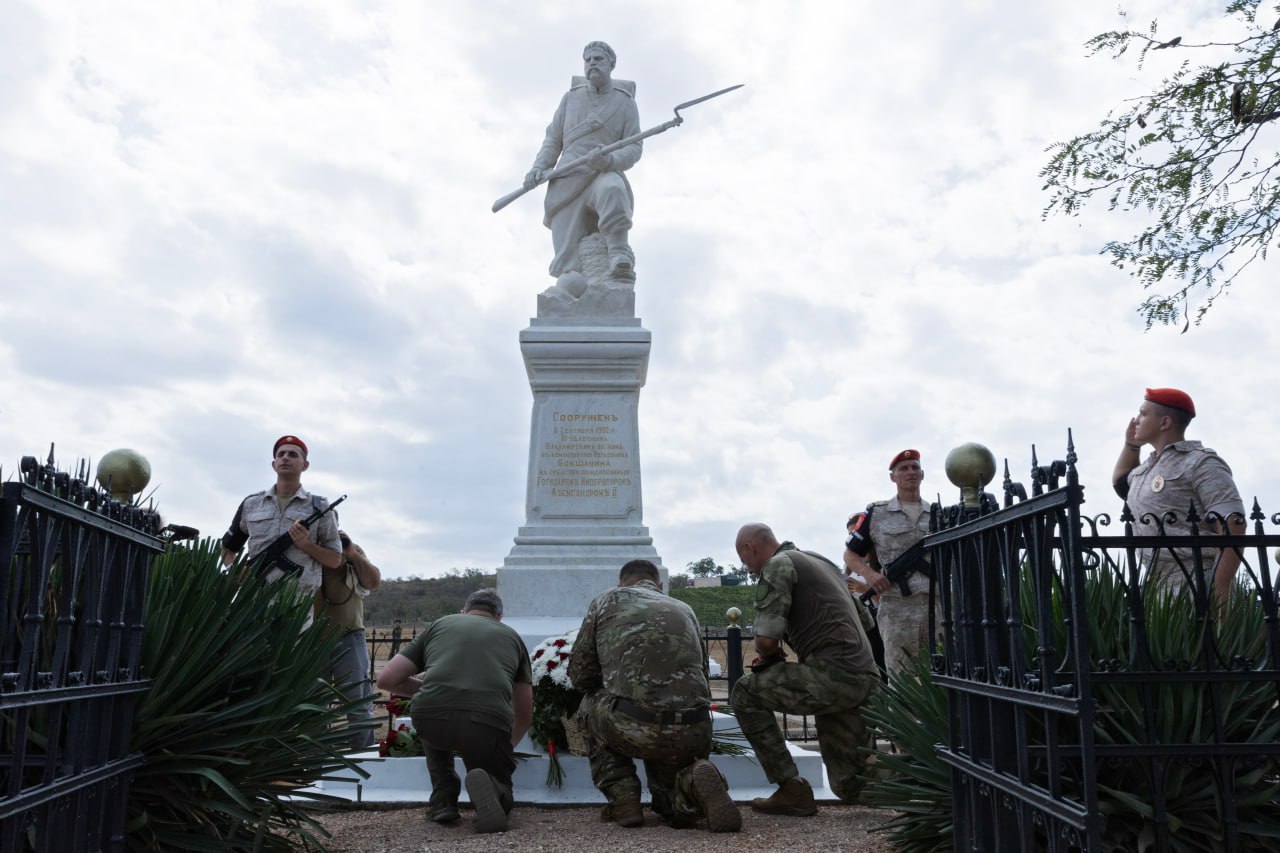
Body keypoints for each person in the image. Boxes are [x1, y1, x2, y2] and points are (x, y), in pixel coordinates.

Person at [568, 559, 740, 832]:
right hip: (693, 728)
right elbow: (703, 676)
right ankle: (692, 786)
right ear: (659, 586)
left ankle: (624, 801)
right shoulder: (685, 608)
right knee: (669, 805)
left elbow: (581, 675)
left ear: (621, 583)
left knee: (587, 707)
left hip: (634, 724)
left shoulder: (606, 601)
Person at [731, 524, 881, 814]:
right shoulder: (821, 562)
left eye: (744, 559)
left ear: (751, 547)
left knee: (745, 693)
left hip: (831, 675)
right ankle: (932, 783)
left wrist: (772, 658)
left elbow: (764, 641)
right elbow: (866, 623)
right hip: (864, 676)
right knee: (851, 784)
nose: (748, 568)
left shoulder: (777, 565)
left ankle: (791, 789)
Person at [376, 588, 533, 834]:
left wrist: (427, 690)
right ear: (499, 616)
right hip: (486, 721)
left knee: (433, 716)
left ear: (464, 611)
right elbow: (524, 713)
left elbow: (386, 679)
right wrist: (504, 747)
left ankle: (443, 802)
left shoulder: (440, 625)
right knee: (491, 758)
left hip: (432, 719)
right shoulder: (511, 637)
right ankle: (495, 791)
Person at [523, 40, 642, 281]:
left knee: (613, 189)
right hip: (568, 177)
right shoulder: (570, 98)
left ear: (611, 64)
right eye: (587, 60)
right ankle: (573, 288)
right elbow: (553, 139)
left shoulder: (625, 102)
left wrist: (609, 160)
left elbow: (634, 147)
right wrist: (539, 167)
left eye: (597, 59)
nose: (592, 64)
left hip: (601, 171)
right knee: (568, 270)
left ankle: (619, 253)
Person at [1112, 388, 1246, 601]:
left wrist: (1219, 591)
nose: (1135, 420)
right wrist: (1131, 445)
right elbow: (1121, 484)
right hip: (1155, 586)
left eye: (1143, 414)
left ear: (1165, 423)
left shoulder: (1201, 462)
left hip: (1197, 581)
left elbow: (1233, 525)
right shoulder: (1146, 469)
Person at [220, 435, 343, 630]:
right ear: (273, 463)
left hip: (297, 605)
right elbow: (228, 548)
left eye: (293, 454)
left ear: (305, 465)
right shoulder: (251, 504)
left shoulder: (319, 507)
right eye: (281, 454)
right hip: (254, 599)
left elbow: (335, 559)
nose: (286, 458)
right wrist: (236, 571)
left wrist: (306, 545)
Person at [845, 449, 939, 674]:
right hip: (897, 607)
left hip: (936, 606)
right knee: (901, 678)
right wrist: (869, 574)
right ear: (892, 477)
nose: (911, 472)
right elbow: (850, 555)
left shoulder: (938, 514)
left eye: (915, 467)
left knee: (940, 675)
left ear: (923, 474)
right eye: (903, 469)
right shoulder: (877, 514)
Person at [316, 529, 382, 750]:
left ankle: (362, 756)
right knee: (313, 705)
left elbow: (373, 581)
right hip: (311, 639)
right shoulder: (302, 550)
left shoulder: (349, 550)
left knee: (358, 702)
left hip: (349, 634)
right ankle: (312, 762)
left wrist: (351, 553)